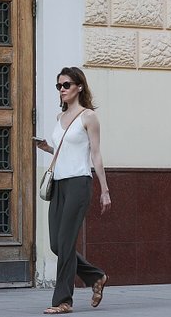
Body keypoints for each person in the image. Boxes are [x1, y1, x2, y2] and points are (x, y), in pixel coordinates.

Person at [35, 67, 112, 314]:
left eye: (66, 85)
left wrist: (104, 190)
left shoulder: (88, 117)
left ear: (79, 86)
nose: (62, 89)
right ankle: (96, 276)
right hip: (59, 183)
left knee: (66, 243)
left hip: (79, 183)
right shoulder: (60, 117)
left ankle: (63, 301)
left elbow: (96, 155)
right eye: (59, 86)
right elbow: (65, 151)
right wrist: (47, 148)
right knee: (57, 245)